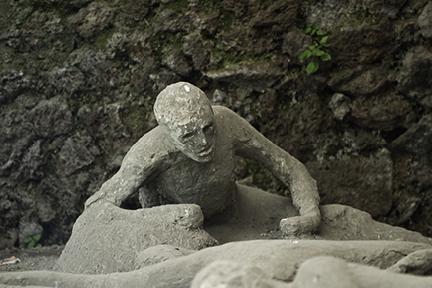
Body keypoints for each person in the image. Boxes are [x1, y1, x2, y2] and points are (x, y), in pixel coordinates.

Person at [85, 82, 321, 235]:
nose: (203, 142)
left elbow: (289, 166)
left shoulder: (226, 122)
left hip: (235, 211)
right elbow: (97, 208)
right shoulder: (149, 151)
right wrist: (164, 218)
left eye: (208, 128)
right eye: (188, 135)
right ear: (167, 133)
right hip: (175, 233)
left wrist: (310, 213)